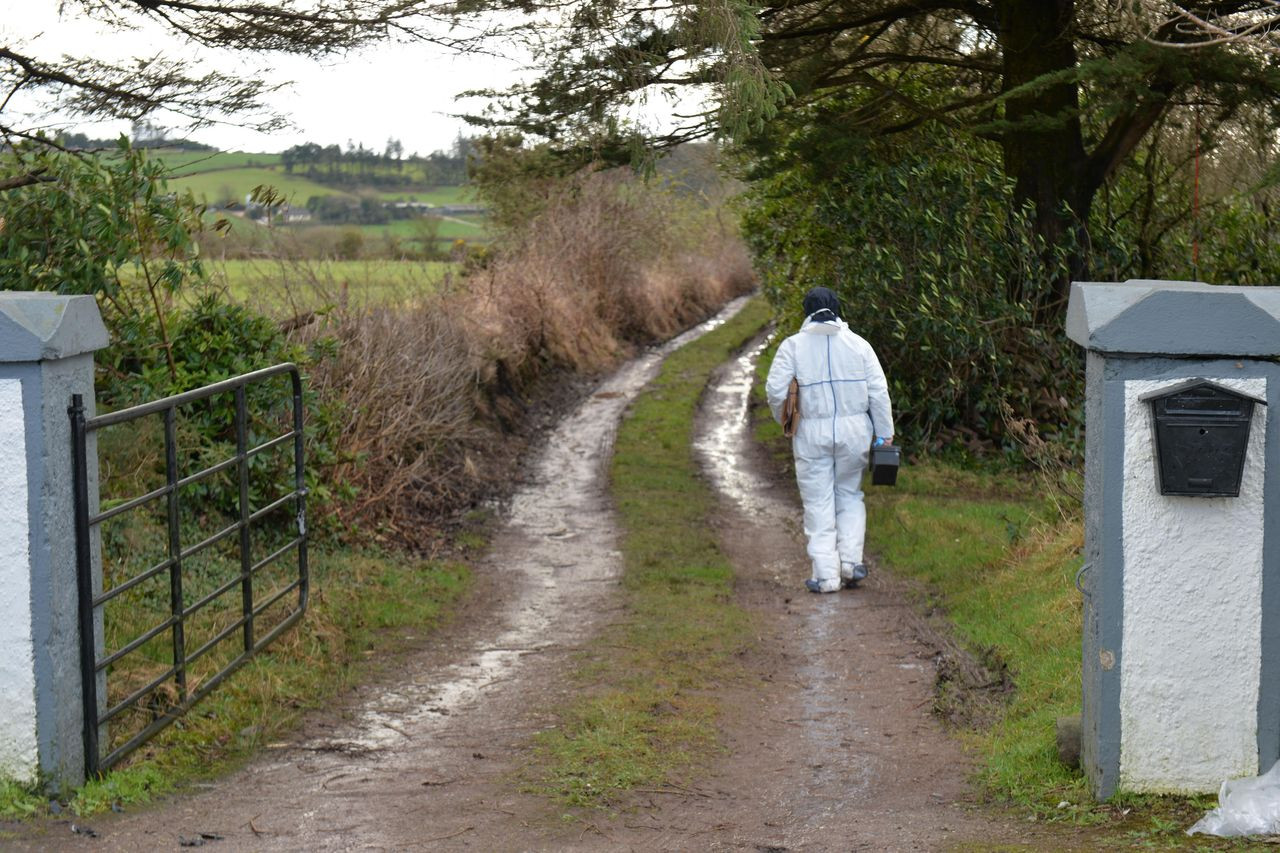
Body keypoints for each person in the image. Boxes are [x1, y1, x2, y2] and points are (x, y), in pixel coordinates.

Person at [765, 286, 894, 594]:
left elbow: (774, 390)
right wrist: (884, 433)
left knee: (818, 503)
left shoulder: (793, 347)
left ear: (806, 311)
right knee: (849, 495)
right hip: (855, 434)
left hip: (812, 433)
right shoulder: (859, 345)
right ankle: (851, 564)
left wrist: (785, 420)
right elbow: (879, 391)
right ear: (838, 309)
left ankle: (826, 577)